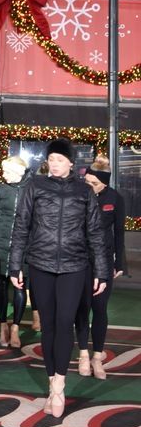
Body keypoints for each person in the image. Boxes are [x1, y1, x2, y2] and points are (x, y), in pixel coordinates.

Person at [9, 138, 109, 418]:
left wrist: (101, 269)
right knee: (49, 326)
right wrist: (15, 266)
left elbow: (96, 234)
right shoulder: (34, 187)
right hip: (40, 265)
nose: (54, 164)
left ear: (70, 163)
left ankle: (60, 386)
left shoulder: (84, 192)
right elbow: (21, 228)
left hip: (74, 267)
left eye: (60, 160)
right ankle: (52, 380)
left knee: (65, 323)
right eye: (51, 159)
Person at [75, 155, 125, 380]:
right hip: (80, 259)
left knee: (100, 309)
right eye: (87, 183)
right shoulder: (80, 196)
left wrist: (119, 262)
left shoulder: (115, 198)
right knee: (82, 308)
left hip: (103, 261)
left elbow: (119, 233)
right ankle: (84, 354)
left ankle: (97, 357)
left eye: (94, 184)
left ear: (104, 183)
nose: (90, 187)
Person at [0, 156, 29, 349]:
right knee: (1, 287)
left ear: (18, 172)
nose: (4, 175)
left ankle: (16, 328)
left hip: (23, 248)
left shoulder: (31, 191)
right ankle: (3, 325)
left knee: (20, 286)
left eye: (8, 172)